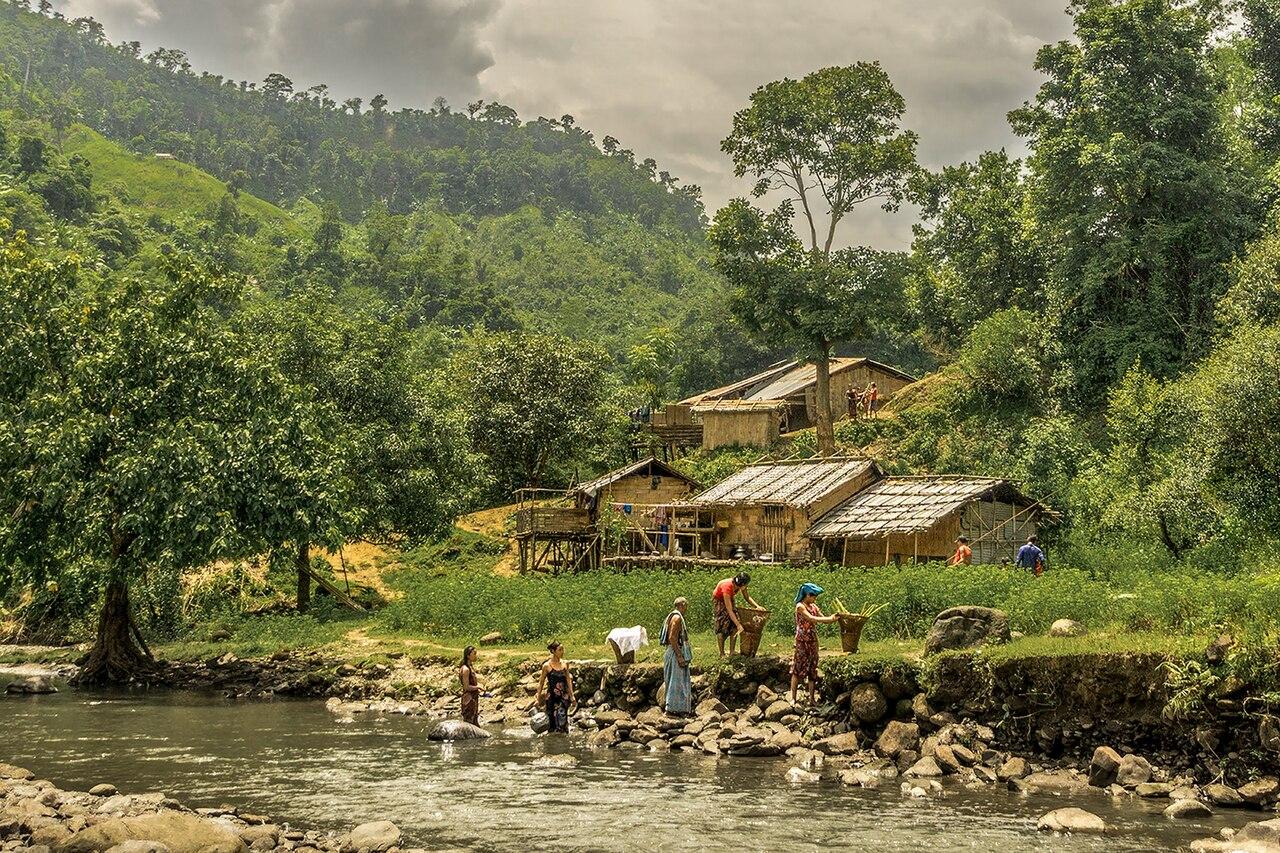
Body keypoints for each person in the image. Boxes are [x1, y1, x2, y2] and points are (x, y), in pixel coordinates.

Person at [789, 583, 838, 705]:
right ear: (806, 594)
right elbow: (812, 619)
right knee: (797, 669)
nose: (814, 598)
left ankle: (811, 699)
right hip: (802, 641)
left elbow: (823, 619)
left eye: (815, 596)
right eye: (813, 595)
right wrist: (829, 619)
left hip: (813, 640)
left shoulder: (814, 606)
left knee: (812, 669)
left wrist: (834, 618)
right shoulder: (800, 606)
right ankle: (793, 698)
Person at [712, 571, 760, 657]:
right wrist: (738, 625)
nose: (746, 587)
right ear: (742, 585)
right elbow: (729, 610)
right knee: (721, 627)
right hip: (719, 600)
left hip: (729, 597)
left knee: (734, 627)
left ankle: (732, 652)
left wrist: (757, 606)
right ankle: (722, 653)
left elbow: (747, 597)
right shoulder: (727, 587)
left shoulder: (741, 584)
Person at [661, 597, 693, 716]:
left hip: (673, 650)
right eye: (686, 606)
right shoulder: (677, 618)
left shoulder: (673, 616)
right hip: (675, 651)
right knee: (676, 681)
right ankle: (672, 709)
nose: (686, 609)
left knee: (677, 680)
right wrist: (679, 655)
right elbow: (672, 637)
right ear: (682, 605)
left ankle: (677, 709)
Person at [536, 641, 575, 733]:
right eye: (560, 650)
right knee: (552, 723)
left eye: (563, 649)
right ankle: (552, 744)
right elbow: (541, 683)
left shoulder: (565, 664)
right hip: (551, 697)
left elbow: (568, 680)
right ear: (553, 651)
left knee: (562, 720)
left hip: (563, 696)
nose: (562, 652)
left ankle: (563, 743)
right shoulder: (546, 666)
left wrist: (572, 695)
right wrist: (537, 698)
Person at [459, 645, 483, 726]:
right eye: (474, 654)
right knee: (470, 724)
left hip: (473, 699)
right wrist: (478, 687)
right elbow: (466, 687)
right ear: (468, 656)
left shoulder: (470, 667)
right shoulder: (465, 669)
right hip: (468, 701)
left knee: (475, 723)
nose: (476, 656)